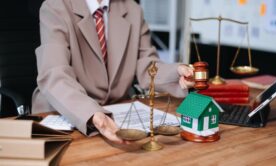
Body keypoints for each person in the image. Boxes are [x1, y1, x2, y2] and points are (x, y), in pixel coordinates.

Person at [32, 0, 194, 144]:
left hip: (116, 113)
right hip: (65, 112)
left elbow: (147, 65)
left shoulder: (133, 9)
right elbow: (55, 73)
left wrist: (177, 72)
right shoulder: (55, 6)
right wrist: (92, 113)